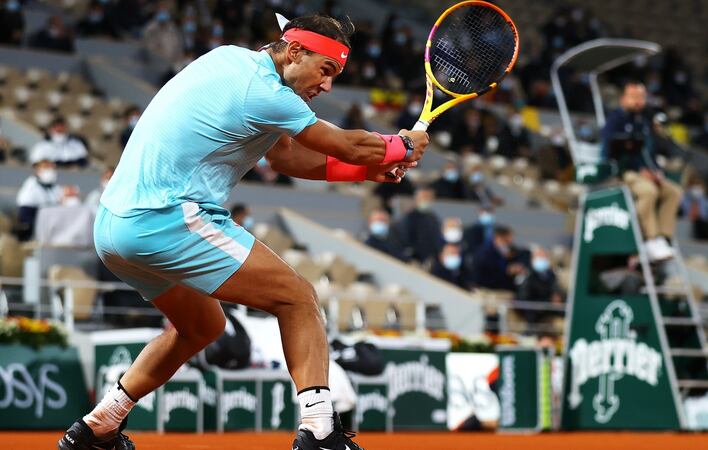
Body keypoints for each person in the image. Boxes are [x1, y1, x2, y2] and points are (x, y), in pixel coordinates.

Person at [57, 13, 428, 450]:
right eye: (326, 70)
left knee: (201, 327)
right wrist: (400, 146)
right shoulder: (268, 94)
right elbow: (346, 144)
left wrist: (366, 173)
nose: (327, 86)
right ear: (295, 52)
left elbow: (288, 160)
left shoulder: (230, 61)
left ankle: (99, 425)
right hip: (168, 218)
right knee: (299, 298)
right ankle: (321, 431)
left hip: (114, 229)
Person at [600, 81, 682, 262]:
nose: (638, 101)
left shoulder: (644, 120)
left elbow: (649, 151)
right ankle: (650, 239)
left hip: (646, 172)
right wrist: (639, 170)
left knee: (673, 191)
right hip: (624, 172)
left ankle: (663, 237)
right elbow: (610, 152)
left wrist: (656, 171)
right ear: (623, 99)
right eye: (634, 97)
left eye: (641, 97)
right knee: (649, 191)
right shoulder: (616, 120)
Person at [16, 156, 79, 241]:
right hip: (36, 229)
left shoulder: (54, 187)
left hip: (55, 226)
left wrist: (68, 195)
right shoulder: (30, 188)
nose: (50, 171)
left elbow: (61, 200)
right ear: (38, 171)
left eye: (52, 168)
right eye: (46, 167)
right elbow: (25, 216)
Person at [515, 247, 563, 333]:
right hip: (532, 309)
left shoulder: (551, 274)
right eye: (539, 257)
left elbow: (556, 289)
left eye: (544, 257)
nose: (542, 260)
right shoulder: (527, 275)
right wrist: (546, 301)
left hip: (548, 307)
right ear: (533, 259)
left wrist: (556, 295)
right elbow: (523, 296)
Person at [398, 186, 441, 264]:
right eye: (424, 197)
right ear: (417, 199)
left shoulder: (433, 218)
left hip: (431, 259)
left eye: (428, 198)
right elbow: (405, 239)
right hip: (415, 260)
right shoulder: (409, 217)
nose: (426, 200)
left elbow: (436, 238)